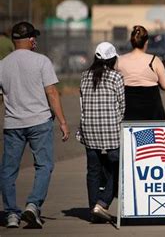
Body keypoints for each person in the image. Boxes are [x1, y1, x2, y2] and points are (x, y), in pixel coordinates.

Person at [0, 21, 69, 228]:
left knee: (8, 170)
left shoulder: (2, 64)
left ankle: (11, 213)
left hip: (13, 124)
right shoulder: (42, 61)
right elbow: (52, 92)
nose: (36, 41)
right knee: (44, 165)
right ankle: (33, 204)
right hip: (39, 121)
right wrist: (63, 122)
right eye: (34, 38)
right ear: (31, 40)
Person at [77, 42, 125, 222]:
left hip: (89, 128)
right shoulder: (116, 77)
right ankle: (103, 203)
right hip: (111, 130)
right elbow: (122, 106)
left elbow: (82, 104)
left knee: (93, 170)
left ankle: (93, 209)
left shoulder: (84, 76)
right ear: (112, 58)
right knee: (118, 168)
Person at [116, 25, 165, 120]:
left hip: (128, 109)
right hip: (152, 111)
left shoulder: (120, 60)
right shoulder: (154, 60)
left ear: (131, 41)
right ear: (146, 42)